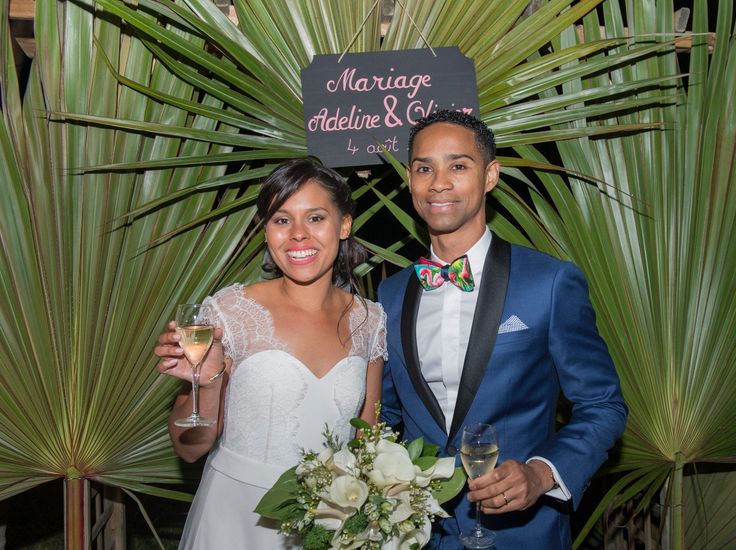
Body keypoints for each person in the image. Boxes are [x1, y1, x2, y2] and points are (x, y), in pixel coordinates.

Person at [378, 110, 627, 549]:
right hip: (419, 536)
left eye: (458, 166)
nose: (439, 182)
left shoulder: (549, 283)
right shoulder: (391, 295)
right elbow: (387, 416)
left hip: (521, 534)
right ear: (410, 180)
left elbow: (603, 405)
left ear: (490, 175)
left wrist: (541, 471)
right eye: (423, 168)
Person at [153, 159, 386, 549]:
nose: (297, 235)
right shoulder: (229, 311)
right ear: (266, 230)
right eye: (281, 220)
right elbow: (189, 450)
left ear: (344, 224)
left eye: (315, 218)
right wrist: (207, 380)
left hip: (330, 523)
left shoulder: (371, 321)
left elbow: (369, 439)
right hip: (237, 520)